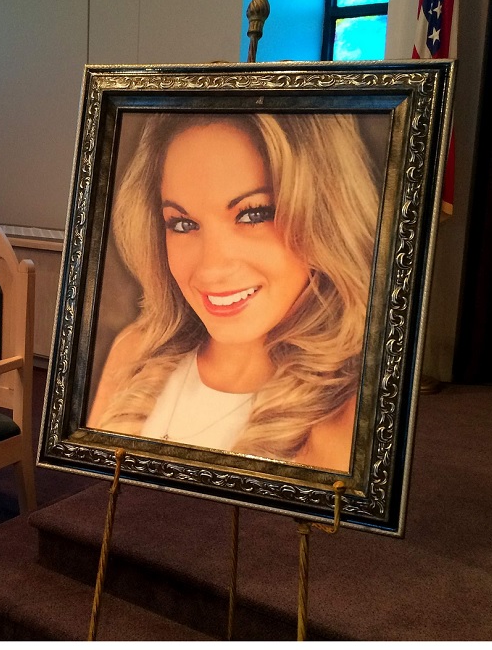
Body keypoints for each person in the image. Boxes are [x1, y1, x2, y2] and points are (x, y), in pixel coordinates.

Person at [87, 112, 382, 472]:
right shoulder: (136, 352)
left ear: (327, 215)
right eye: (182, 223)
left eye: (253, 215)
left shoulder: (353, 408)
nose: (211, 268)